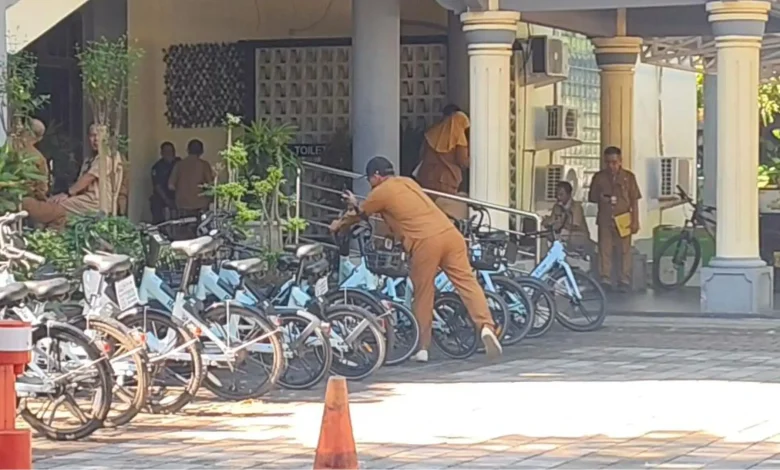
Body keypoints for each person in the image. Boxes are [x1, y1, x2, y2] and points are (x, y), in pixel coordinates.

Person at [329, 156, 502, 363]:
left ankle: (422, 348)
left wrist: (338, 224)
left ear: (376, 176)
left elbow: (359, 214)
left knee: (423, 293)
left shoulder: (381, 192)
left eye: (369, 179)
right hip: (451, 235)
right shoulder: (408, 182)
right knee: (468, 284)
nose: (369, 183)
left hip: (426, 242)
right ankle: (486, 326)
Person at [22, 124, 122, 229]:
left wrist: (67, 193)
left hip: (95, 202)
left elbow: (89, 177)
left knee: (55, 208)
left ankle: (29, 211)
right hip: (84, 199)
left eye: (99, 135)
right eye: (92, 135)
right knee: (53, 209)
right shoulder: (90, 158)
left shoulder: (107, 156)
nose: (96, 139)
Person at [587, 146, 641, 292]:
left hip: (623, 219)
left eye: (614, 162)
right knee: (605, 249)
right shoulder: (599, 177)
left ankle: (624, 279)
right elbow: (591, 197)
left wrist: (635, 220)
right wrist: (601, 197)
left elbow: (634, 200)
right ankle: (605, 278)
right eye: (608, 163)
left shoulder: (629, 177)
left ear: (620, 161)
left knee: (624, 250)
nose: (611, 166)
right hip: (605, 218)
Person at [416, 110, 470, 197]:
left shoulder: (433, 133)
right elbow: (462, 162)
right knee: (446, 203)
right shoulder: (459, 139)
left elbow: (421, 154)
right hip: (447, 180)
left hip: (427, 177)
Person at [543, 181, 592, 255]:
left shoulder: (576, 207)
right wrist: (547, 222)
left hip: (578, 235)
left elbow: (575, 225)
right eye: (557, 194)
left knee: (564, 232)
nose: (558, 197)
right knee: (544, 233)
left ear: (569, 194)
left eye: (561, 194)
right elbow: (551, 220)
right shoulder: (556, 207)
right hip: (561, 234)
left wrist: (561, 222)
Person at [168, 139, 214, 218]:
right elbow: (210, 185)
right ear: (202, 151)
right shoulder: (204, 165)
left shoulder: (179, 165)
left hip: (182, 204)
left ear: (188, 150)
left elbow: (170, 185)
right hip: (200, 204)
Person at [14, 119, 49, 202]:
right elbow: (42, 187)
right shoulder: (39, 158)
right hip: (25, 198)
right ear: (40, 138)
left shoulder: (9, 144)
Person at [150, 142, 179, 224]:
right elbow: (157, 186)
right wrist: (167, 200)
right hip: (162, 196)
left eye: (170, 151)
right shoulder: (157, 167)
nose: (169, 153)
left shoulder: (179, 163)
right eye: (166, 151)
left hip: (178, 195)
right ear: (162, 153)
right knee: (155, 202)